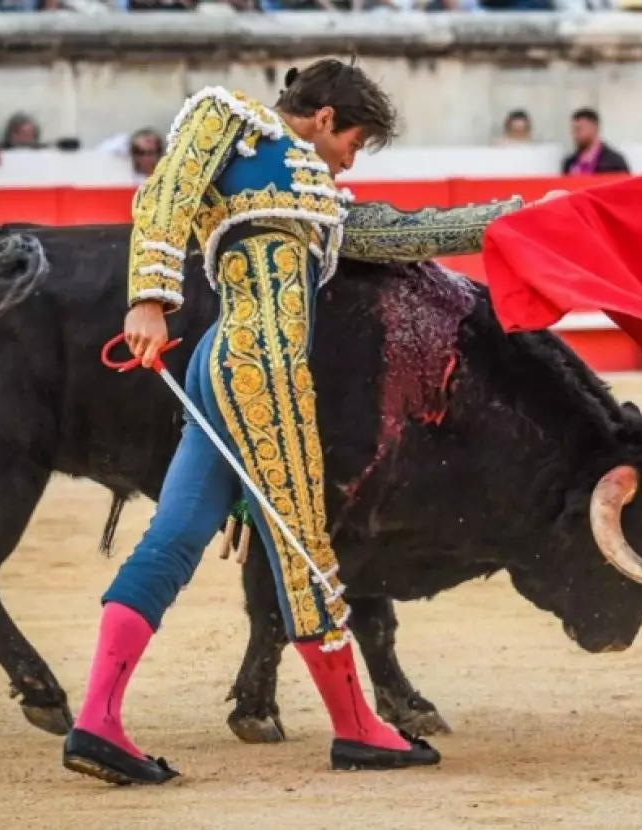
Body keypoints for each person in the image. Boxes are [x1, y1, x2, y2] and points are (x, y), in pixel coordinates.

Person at [61, 58, 564, 786]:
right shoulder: (228, 120)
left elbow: (408, 233)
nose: (351, 158)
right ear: (325, 116)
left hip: (225, 362)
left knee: (175, 537)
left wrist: (516, 216)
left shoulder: (323, 201)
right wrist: (149, 298)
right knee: (304, 553)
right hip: (260, 363)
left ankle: (97, 723)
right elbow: (165, 193)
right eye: (354, 140)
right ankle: (357, 729)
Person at [561, 108, 629, 176]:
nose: (575, 135)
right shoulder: (569, 162)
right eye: (573, 130)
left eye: (579, 129)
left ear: (594, 128)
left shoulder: (614, 162)